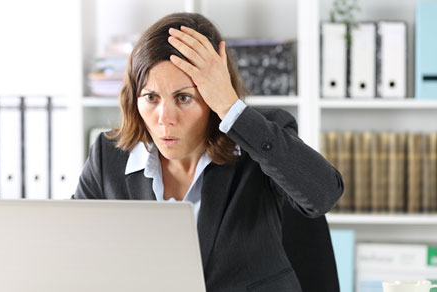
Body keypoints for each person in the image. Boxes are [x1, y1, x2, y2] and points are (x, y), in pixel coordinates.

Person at [73, 12, 344, 292]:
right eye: (151, 98)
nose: (165, 118)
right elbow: (72, 248)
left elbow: (324, 194)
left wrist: (231, 109)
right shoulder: (109, 156)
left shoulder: (259, 141)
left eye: (184, 98)